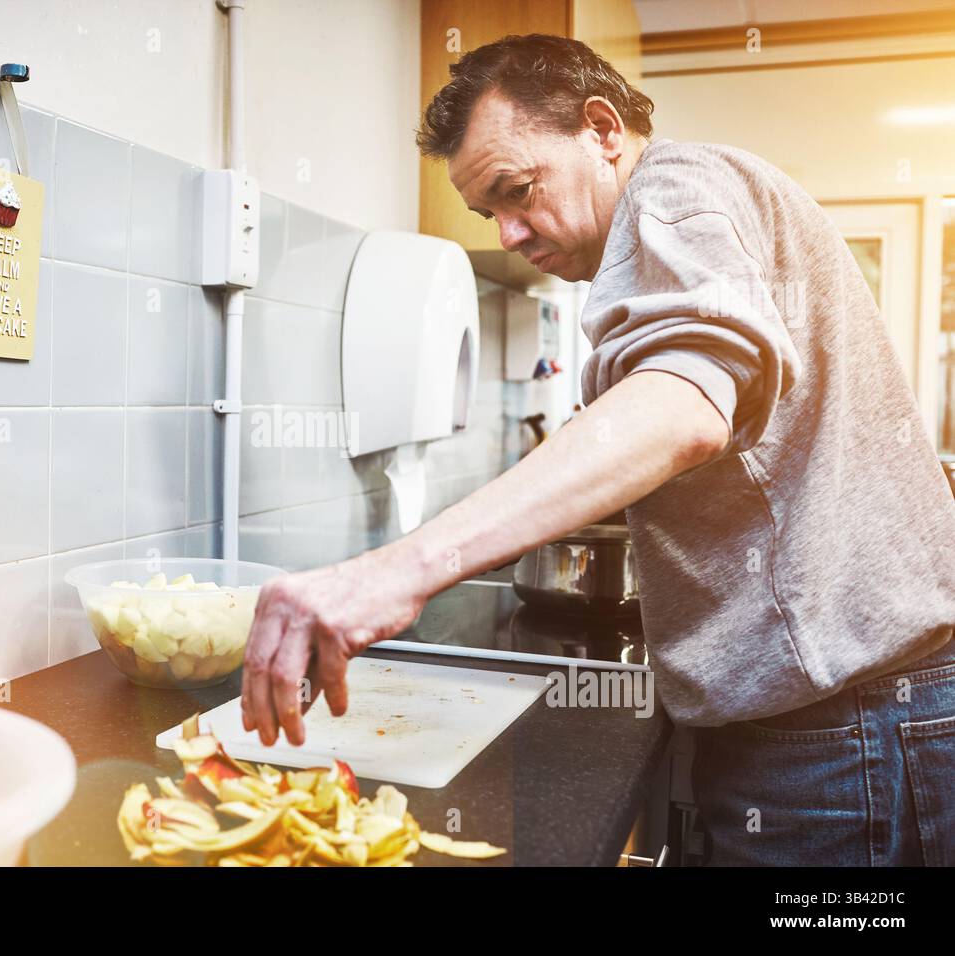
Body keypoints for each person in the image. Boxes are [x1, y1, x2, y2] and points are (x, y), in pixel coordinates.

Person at [239, 34, 955, 866]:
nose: (508, 233)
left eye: (518, 191)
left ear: (604, 130)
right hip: (859, 713)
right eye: (488, 214)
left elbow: (685, 406)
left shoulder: (676, 189)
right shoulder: (699, 205)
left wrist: (393, 571)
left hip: (842, 728)